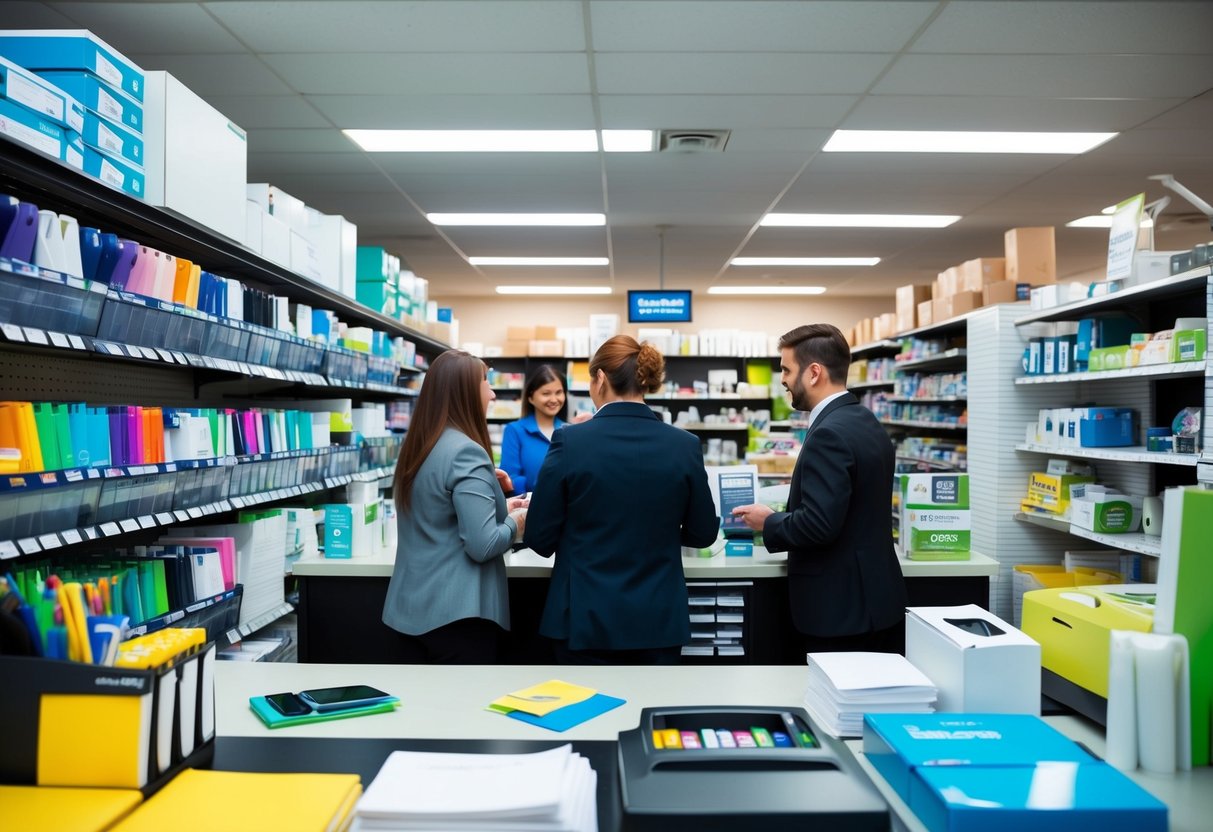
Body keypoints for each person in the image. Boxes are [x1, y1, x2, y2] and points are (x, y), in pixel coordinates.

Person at [524, 335, 719, 665]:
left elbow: (539, 538)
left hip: (584, 620)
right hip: (658, 620)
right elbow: (703, 533)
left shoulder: (570, 441)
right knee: (653, 714)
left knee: (585, 715)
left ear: (600, 379)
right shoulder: (683, 444)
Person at [731, 323, 908, 655]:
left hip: (840, 611)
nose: (782, 379)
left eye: (786, 369)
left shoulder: (829, 434)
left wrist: (768, 521)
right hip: (875, 601)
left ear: (814, 373)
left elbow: (819, 525)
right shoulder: (865, 421)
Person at [382, 349, 528, 663]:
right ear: (463, 392)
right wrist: (516, 521)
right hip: (457, 615)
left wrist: (498, 504)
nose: (491, 393)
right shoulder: (467, 452)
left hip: (411, 609)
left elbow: (438, 514)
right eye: (485, 383)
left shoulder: (420, 445)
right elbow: (483, 544)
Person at [499, 364, 574, 496]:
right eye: (546, 393)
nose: (554, 399)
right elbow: (509, 478)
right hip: (527, 509)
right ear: (531, 397)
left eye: (559, 392)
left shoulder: (571, 431)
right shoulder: (514, 431)